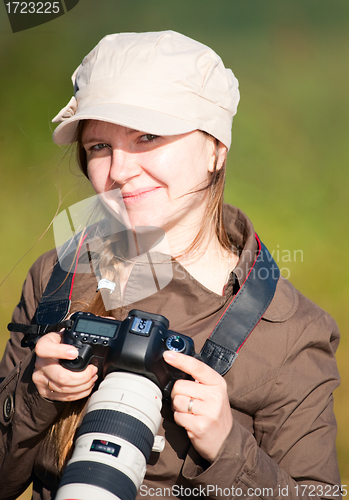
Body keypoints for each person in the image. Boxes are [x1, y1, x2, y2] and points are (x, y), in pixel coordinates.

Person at [0, 31, 342, 500]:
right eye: (99, 146)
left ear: (215, 148)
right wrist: (34, 394)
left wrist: (227, 447)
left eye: (147, 136)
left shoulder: (290, 332)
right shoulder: (60, 273)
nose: (119, 170)